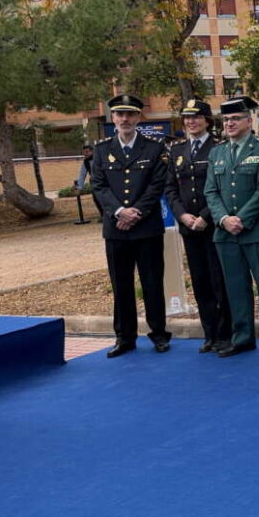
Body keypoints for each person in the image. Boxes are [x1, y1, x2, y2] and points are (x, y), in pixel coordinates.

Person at [90, 94, 171, 357]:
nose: (125, 119)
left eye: (130, 114)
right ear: (112, 118)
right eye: (119, 114)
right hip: (116, 230)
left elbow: (157, 185)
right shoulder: (101, 150)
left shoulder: (154, 148)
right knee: (121, 285)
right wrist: (119, 212)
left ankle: (159, 334)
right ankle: (124, 338)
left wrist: (136, 212)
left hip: (146, 227)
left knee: (152, 283)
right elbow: (99, 186)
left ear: (138, 117)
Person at [204, 96, 259, 357]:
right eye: (226, 120)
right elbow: (211, 191)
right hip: (225, 233)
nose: (229, 123)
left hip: (255, 230)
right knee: (236, 288)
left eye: (235, 119)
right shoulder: (216, 152)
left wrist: (243, 218)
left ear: (249, 121)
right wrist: (224, 219)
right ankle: (243, 336)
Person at [165, 99, 232, 353]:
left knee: (219, 281)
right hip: (189, 227)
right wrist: (182, 216)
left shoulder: (219, 148)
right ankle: (210, 333)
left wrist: (205, 216)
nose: (191, 122)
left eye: (196, 117)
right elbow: (171, 188)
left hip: (213, 224)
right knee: (200, 281)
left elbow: (223, 188)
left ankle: (226, 333)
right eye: (187, 118)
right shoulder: (176, 150)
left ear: (207, 120)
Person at [74, 145, 103, 216]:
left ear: (92, 151)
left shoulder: (100, 158)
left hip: (104, 181)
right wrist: (79, 187)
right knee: (96, 199)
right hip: (94, 182)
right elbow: (82, 174)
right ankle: (103, 215)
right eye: (84, 152)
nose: (85, 154)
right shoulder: (86, 162)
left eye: (87, 152)